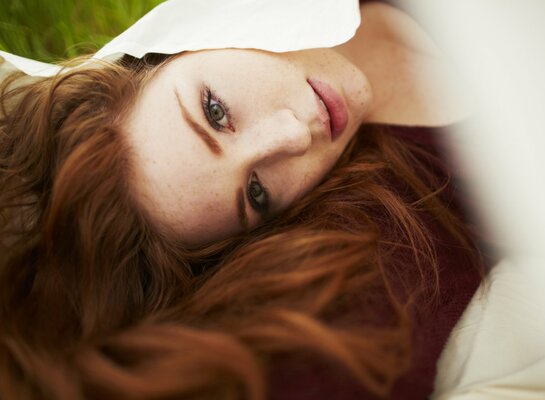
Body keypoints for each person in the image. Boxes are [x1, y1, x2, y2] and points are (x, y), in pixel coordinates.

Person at [0, 1, 486, 399]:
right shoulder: (422, 199)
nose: (293, 136)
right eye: (257, 193)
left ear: (173, 51)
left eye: (215, 112)